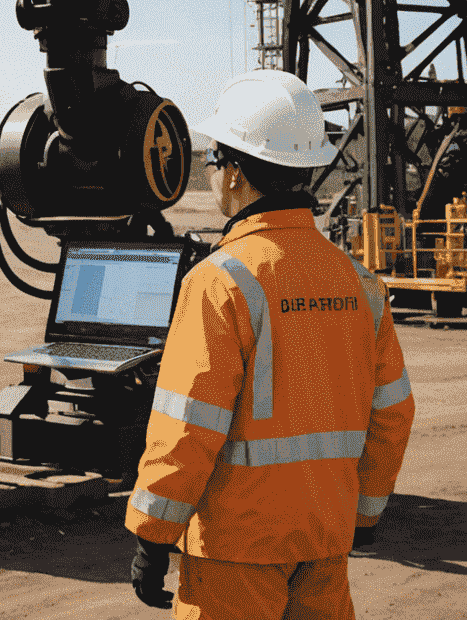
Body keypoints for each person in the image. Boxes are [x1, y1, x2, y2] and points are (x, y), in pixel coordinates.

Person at [126, 70, 415, 618]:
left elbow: (188, 425)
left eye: (214, 161)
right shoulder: (360, 284)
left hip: (235, 553)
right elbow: (393, 413)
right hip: (326, 539)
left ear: (234, 173)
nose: (211, 174)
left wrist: (152, 535)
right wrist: (364, 515)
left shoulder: (220, 282)